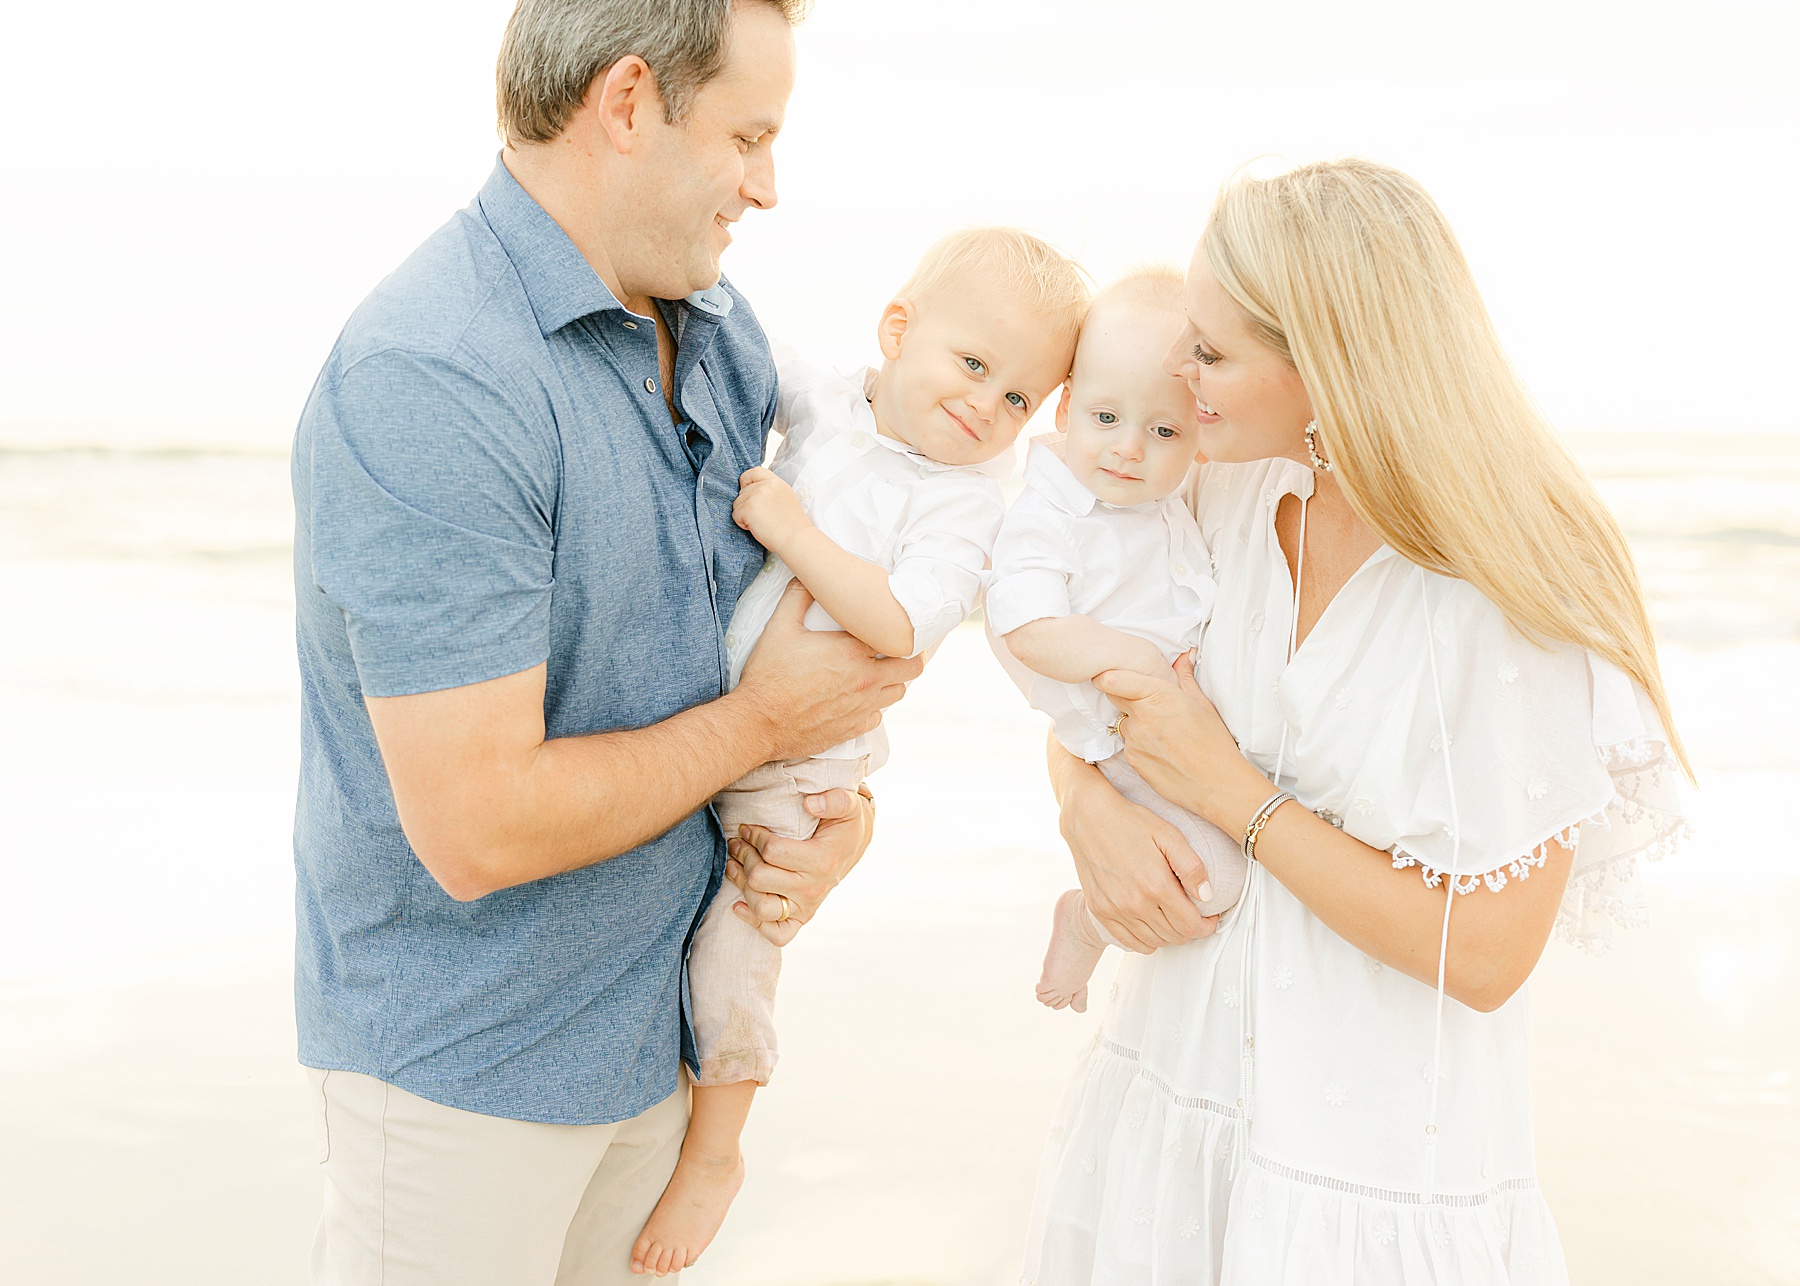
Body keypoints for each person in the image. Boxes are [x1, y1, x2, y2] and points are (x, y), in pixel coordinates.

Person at [288, 2, 923, 1282]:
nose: (769, 185)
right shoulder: (434, 375)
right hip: (473, 1079)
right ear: (628, 102)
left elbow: (744, 649)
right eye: (747, 135)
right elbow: (481, 827)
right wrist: (765, 727)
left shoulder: (720, 328)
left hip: (661, 1046)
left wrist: (821, 818)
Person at [1022, 158, 1691, 1283]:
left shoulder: (1505, 598)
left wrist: (1232, 794)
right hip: (1170, 1099)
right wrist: (1083, 801)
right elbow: (1103, 693)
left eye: (1214, 353)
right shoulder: (1220, 493)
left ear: (1328, 364)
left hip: (1367, 1178)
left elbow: (1483, 954)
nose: (1180, 380)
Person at [633, 226, 1086, 1276]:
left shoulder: (967, 501)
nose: (985, 406)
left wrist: (790, 531)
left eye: (1019, 399)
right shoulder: (837, 401)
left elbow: (899, 624)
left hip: (801, 770)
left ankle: (716, 1148)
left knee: (736, 952)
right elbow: (747, 350)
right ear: (896, 331)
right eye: (972, 365)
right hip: (712, 720)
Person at [983, 270, 1246, 1016]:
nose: (1130, 449)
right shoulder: (1051, 510)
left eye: (1163, 432)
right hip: (1124, 735)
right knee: (1213, 882)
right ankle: (1088, 922)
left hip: (1170, 731)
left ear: (1198, 440)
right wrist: (1133, 664)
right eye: (1105, 417)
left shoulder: (1162, 502)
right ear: (1066, 409)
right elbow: (1026, 627)